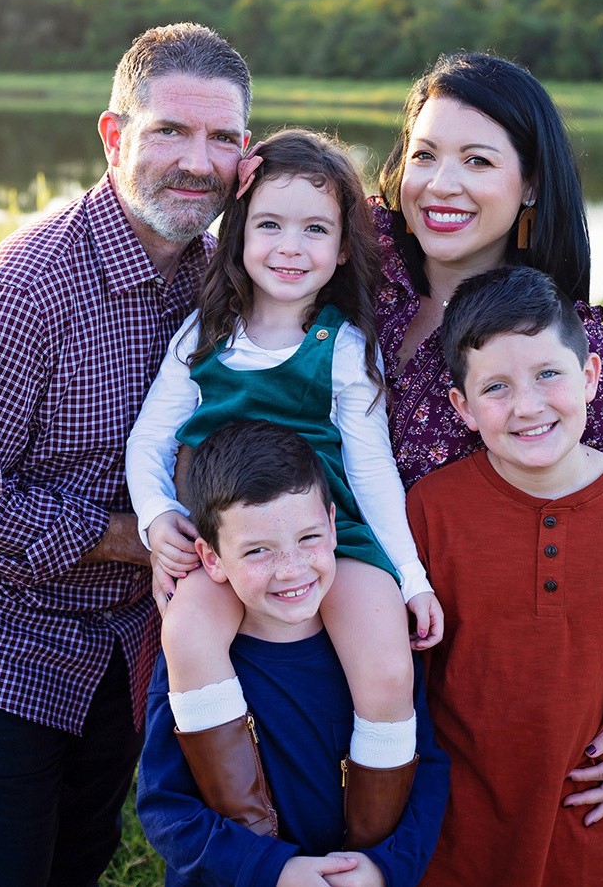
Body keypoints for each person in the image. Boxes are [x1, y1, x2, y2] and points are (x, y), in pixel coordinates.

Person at [0, 21, 252, 887]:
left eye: (221, 138)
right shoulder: (25, 287)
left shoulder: (220, 278)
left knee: (79, 862)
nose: (195, 160)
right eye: (170, 130)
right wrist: (137, 536)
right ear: (115, 135)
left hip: (125, 646)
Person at [126, 127, 444, 843]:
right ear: (238, 234)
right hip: (232, 549)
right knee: (188, 631)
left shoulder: (341, 347)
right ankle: (255, 832)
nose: (290, 247)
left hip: (336, 537)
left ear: (340, 249)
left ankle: (364, 849)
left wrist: (411, 576)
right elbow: (150, 441)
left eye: (315, 229)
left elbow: (371, 472)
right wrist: (156, 519)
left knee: (388, 665)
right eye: (269, 224)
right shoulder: (204, 335)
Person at [371, 50, 603, 819]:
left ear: (529, 183)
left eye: (478, 160)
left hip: (482, 696)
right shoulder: (352, 279)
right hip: (325, 641)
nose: (443, 184)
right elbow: (265, 217)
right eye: (425, 155)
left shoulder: (562, 354)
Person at [406, 264, 603, 887]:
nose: (527, 406)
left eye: (549, 374)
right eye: (496, 387)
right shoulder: (430, 511)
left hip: (594, 840)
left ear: (592, 376)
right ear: (462, 409)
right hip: (452, 845)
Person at [137, 419, 450, 886]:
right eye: (258, 551)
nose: (291, 570)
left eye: (308, 539)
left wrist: (384, 868)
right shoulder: (196, 661)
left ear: (331, 524)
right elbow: (166, 808)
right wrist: (272, 870)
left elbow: (427, 771)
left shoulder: (374, 647)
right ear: (211, 559)